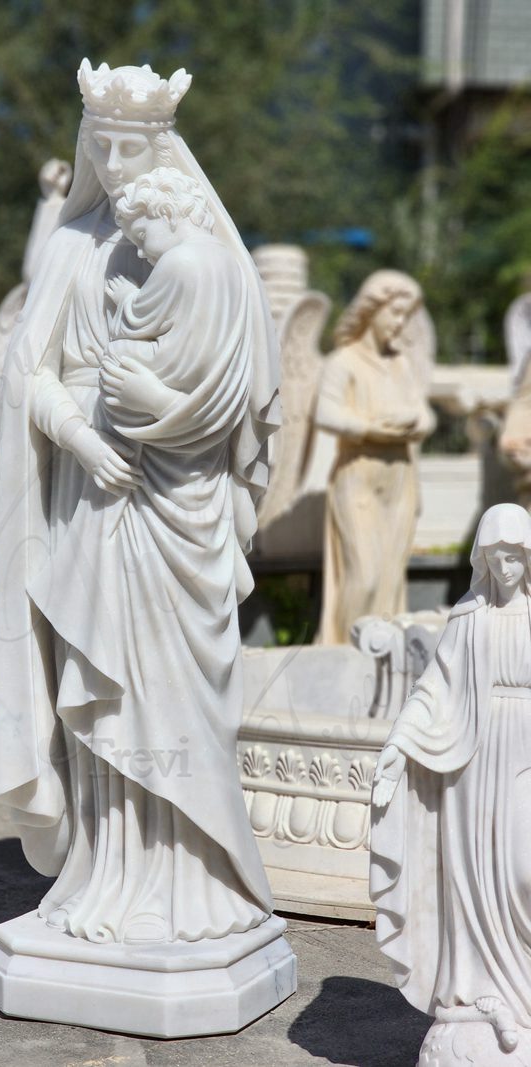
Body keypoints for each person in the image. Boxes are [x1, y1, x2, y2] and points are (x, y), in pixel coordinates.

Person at [0, 61, 280, 944]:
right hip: (90, 494)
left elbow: (245, 387)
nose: (115, 166)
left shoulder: (204, 254)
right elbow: (25, 379)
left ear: (166, 149)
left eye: (134, 147)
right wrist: (82, 440)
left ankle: (193, 882)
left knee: (176, 686)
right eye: (100, 146)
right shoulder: (73, 246)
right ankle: (107, 875)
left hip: (176, 494)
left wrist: (170, 421)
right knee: (102, 688)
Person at [371, 503, 531, 1054]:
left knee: (522, 870)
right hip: (472, 758)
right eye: (496, 557)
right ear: (482, 560)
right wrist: (397, 746)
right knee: (470, 880)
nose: (506, 568)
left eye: (514, 557)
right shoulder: (469, 618)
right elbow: (433, 689)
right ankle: (476, 994)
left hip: (526, 753)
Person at [315, 270, 435, 644]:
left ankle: (387, 663)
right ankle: (350, 656)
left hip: (399, 477)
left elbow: (426, 414)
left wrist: (412, 423)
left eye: (405, 315)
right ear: (371, 309)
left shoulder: (399, 363)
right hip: (360, 473)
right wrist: (370, 428)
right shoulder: (344, 361)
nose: (400, 324)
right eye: (395, 313)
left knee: (389, 576)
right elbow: (324, 413)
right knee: (363, 575)